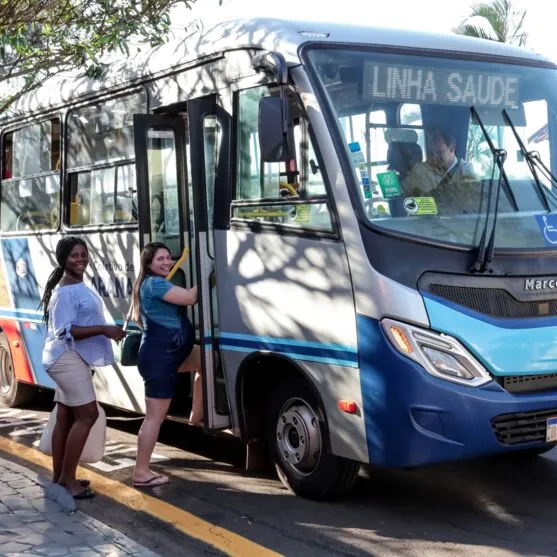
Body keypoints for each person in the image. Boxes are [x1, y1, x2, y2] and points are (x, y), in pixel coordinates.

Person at [40, 237, 125, 499]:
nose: (80, 259)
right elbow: (64, 330)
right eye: (74, 256)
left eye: (83, 254)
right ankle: (67, 480)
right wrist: (104, 330)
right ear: (63, 259)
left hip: (68, 357)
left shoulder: (75, 285)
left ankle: (59, 476)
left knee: (65, 416)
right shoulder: (65, 291)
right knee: (88, 415)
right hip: (65, 358)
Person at [129, 242, 202, 488]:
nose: (166, 262)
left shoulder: (152, 282)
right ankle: (141, 472)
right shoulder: (155, 283)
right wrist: (212, 270)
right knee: (154, 418)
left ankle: (197, 416)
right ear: (148, 263)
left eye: (168, 258)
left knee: (205, 360)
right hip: (161, 359)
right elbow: (190, 298)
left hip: (169, 356)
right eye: (160, 259)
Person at [402, 128, 479, 214]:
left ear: (452, 149)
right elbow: (403, 196)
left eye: (440, 152)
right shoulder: (420, 170)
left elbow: (470, 202)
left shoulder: (465, 171)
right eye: (432, 153)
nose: (435, 157)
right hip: (423, 224)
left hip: (452, 224)